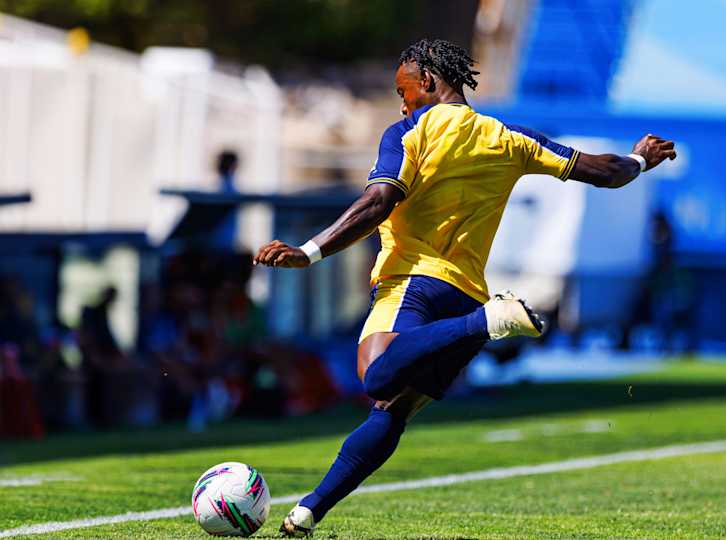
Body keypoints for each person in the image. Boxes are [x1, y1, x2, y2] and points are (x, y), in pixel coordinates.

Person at [253, 39, 677, 537]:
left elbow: (379, 200)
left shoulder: (411, 130)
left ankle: (489, 322)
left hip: (413, 284)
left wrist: (310, 251)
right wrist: (640, 158)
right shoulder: (508, 136)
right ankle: (308, 511)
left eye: (403, 90)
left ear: (429, 82)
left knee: (376, 380)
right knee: (394, 410)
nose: (402, 101)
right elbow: (605, 173)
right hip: (465, 297)